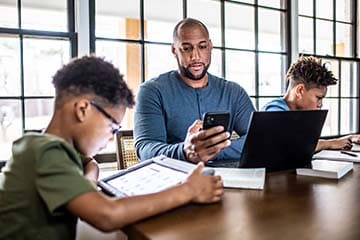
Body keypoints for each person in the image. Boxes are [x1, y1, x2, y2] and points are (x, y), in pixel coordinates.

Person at [0, 56, 223, 239]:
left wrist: (90, 167)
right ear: (83, 109)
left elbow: (87, 175)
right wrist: (188, 189)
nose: (110, 138)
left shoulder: (46, 148)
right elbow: (107, 215)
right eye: (113, 127)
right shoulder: (46, 152)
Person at [134, 18, 255, 165]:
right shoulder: (152, 91)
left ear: (210, 47)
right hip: (176, 179)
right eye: (186, 48)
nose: (195, 56)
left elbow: (257, 138)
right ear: (174, 50)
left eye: (202, 46)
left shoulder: (233, 92)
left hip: (226, 179)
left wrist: (209, 151)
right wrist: (185, 152)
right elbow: (145, 148)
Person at [262, 56, 360, 151]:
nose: (320, 104)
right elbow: (294, 146)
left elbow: (306, 142)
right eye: (318, 98)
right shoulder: (274, 111)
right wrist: (330, 143)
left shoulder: (298, 114)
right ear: (300, 90)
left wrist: (349, 138)